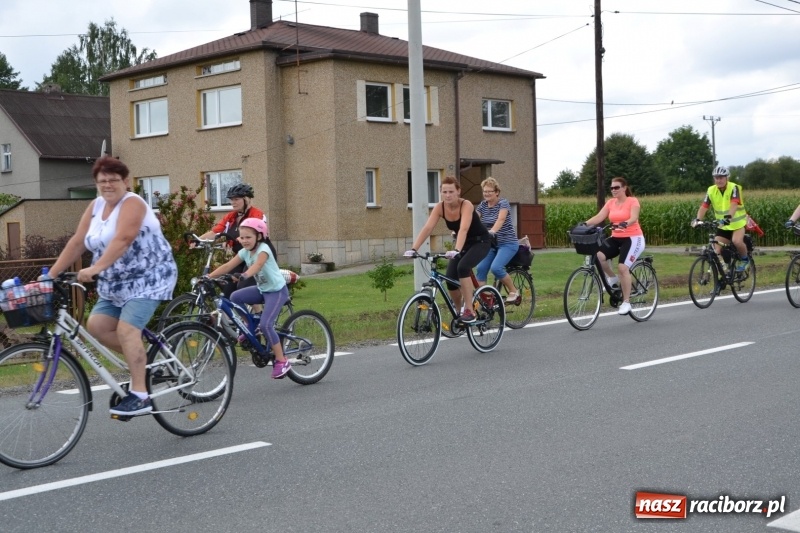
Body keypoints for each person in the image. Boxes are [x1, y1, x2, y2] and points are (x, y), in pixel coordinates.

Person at [46, 156, 178, 416]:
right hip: (115, 282)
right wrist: (50, 275)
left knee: (128, 330)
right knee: (97, 326)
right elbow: (77, 241)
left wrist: (95, 268)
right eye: (102, 180)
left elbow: (124, 238)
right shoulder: (96, 206)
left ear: (125, 182)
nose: (107, 184)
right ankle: (148, 359)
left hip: (148, 278)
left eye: (113, 180)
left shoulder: (133, 203)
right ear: (96, 183)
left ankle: (141, 395)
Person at [205, 218, 291, 379]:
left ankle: (281, 361)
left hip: (277, 291)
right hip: (262, 289)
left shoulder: (264, 249)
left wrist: (244, 275)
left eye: (248, 237)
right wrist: (207, 276)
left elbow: (257, 266)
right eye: (242, 237)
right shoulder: (245, 252)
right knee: (235, 296)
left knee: (266, 325)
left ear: (259, 236)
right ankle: (250, 325)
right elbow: (228, 266)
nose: (244, 241)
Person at [404, 176, 491, 323]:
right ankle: (459, 313)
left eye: (451, 191)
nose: (448, 195)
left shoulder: (466, 205)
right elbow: (428, 228)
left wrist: (456, 249)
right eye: (444, 192)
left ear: (458, 191)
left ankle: (470, 310)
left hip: (480, 241)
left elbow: (463, 229)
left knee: (463, 267)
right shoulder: (440, 207)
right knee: (451, 279)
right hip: (463, 245)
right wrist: (414, 248)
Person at [196, 182, 271, 297]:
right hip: (240, 257)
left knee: (243, 287)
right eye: (231, 199)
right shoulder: (231, 216)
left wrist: (240, 238)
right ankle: (231, 314)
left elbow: (254, 231)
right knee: (227, 288)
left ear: (247, 199)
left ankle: (258, 312)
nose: (232, 202)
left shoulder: (256, 214)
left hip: (255, 257)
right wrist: (197, 240)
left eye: (236, 199)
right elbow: (215, 231)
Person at [583, 177, 645, 316]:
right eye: (611, 188)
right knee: (598, 255)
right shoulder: (611, 203)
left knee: (623, 268)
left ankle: (626, 302)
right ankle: (612, 278)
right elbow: (599, 217)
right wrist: (584, 225)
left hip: (633, 238)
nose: (613, 190)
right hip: (616, 237)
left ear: (624, 188)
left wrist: (625, 223)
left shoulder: (632, 201)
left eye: (616, 187)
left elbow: (634, 217)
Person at [691, 165, 749, 272]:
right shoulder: (711, 190)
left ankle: (745, 260)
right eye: (716, 178)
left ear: (727, 178)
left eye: (721, 177)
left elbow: (734, 204)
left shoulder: (734, 187)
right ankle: (725, 270)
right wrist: (698, 219)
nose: (719, 180)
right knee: (715, 248)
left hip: (737, 224)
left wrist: (728, 217)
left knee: (737, 241)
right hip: (723, 225)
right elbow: (704, 206)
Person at [474, 177, 519, 303]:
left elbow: (501, 219)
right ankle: (487, 300)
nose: (487, 194)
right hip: (491, 244)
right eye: (485, 191)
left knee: (496, 268)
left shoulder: (503, 203)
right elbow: (473, 220)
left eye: (489, 191)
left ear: (497, 192)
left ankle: (514, 291)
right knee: (480, 268)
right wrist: (460, 230)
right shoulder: (482, 205)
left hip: (508, 243)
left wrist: (492, 231)